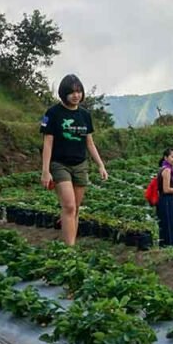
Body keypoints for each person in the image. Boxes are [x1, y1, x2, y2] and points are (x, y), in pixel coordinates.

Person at [39, 74, 108, 246]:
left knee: (75, 209)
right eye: (72, 92)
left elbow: (89, 142)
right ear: (64, 94)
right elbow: (47, 143)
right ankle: (69, 250)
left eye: (79, 92)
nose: (76, 95)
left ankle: (72, 246)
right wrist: (45, 171)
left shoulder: (85, 115)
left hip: (80, 165)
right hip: (59, 164)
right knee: (68, 206)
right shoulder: (52, 113)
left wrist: (100, 165)